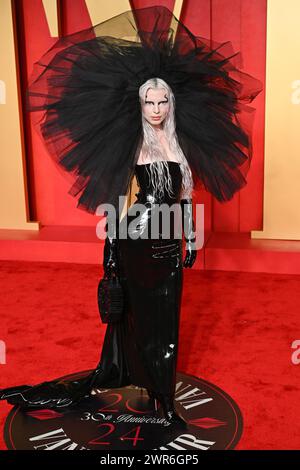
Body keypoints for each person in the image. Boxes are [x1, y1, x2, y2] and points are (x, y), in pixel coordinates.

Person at [0, 5, 262, 426]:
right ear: (138, 104)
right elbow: (120, 203)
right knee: (138, 317)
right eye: (148, 101)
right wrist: (110, 254)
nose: (156, 108)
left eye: (162, 101)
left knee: (167, 318)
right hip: (134, 241)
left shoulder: (179, 146)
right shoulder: (133, 145)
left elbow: (185, 194)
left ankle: (161, 393)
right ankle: (158, 397)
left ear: (172, 102)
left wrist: (191, 239)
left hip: (169, 245)